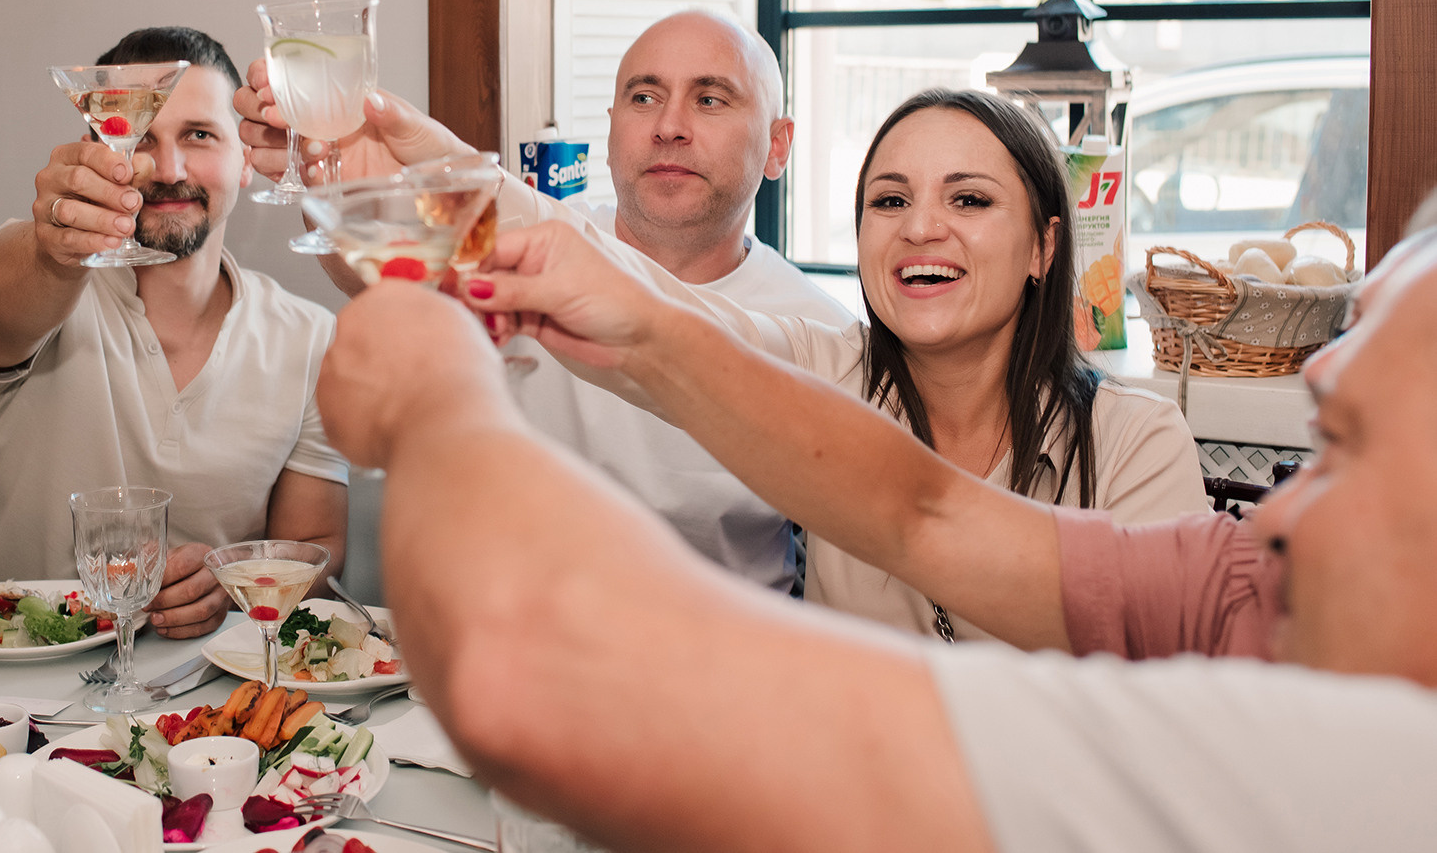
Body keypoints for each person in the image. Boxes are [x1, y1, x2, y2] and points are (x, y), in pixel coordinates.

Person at [311, 227, 1437, 851]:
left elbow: (537, 668)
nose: (1266, 516)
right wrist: (644, 326)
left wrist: (429, 397)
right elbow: (924, 511)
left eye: (1332, 451)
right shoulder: (1242, 584)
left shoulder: (1377, 784)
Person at [236, 77, 1207, 638]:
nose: (920, 229)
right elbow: (652, 315)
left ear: (1043, 244)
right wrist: (443, 168)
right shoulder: (822, 369)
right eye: (886, 200)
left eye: (967, 200)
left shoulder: (1133, 439)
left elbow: (1173, 697)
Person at [0, 27, 346, 638]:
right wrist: (57, 248)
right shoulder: (34, 268)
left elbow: (316, 540)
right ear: (98, 156)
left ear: (246, 158)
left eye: (198, 135)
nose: (168, 169)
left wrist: (235, 582)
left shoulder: (311, 337)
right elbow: (5, 302)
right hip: (17, 691)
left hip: (210, 701)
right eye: (140, 138)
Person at [510, 11, 853, 590]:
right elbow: (373, 267)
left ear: (777, 146)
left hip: (728, 665)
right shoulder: (527, 250)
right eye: (644, 97)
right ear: (612, 128)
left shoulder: (822, 337)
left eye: (710, 100)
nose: (669, 126)